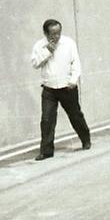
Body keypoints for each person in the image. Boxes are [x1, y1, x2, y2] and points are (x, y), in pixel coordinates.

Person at [31, 19, 91, 160]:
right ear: (45, 33)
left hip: (67, 87)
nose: (56, 37)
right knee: (47, 119)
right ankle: (46, 151)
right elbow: (35, 63)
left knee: (75, 115)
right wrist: (47, 51)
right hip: (49, 88)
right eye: (52, 34)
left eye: (58, 33)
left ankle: (85, 139)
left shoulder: (68, 43)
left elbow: (76, 62)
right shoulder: (39, 46)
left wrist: (73, 80)